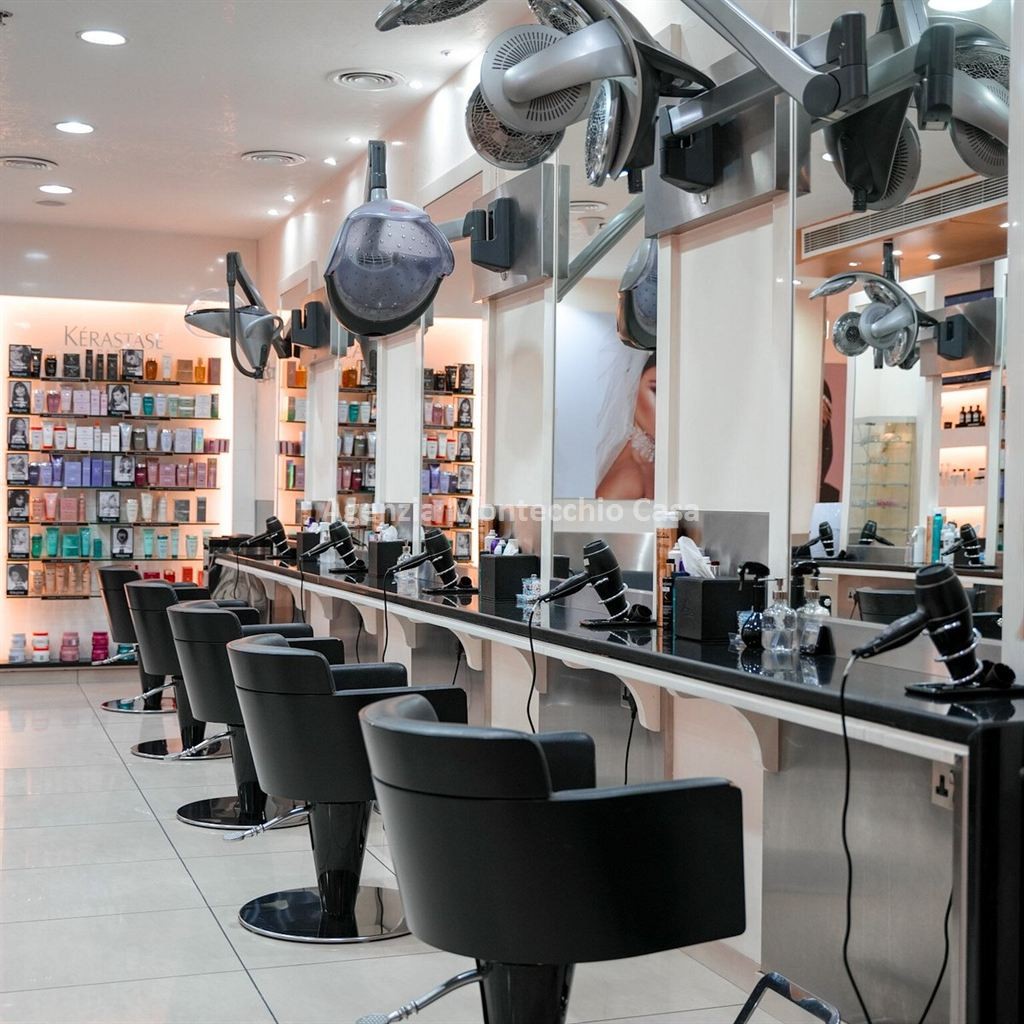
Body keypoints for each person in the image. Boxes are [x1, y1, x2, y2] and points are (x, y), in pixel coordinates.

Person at [596, 353, 656, 500]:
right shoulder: (627, 478)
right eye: (656, 391)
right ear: (632, 388)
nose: (668, 407)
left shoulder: (650, 465)